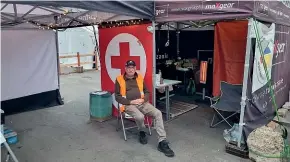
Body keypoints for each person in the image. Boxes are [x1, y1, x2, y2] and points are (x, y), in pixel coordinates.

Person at [114, 60, 175, 157]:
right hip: (129, 104)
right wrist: (130, 102)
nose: (130, 70)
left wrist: (143, 100)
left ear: (135, 68)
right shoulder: (119, 79)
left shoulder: (139, 77)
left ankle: (162, 141)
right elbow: (117, 96)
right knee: (140, 116)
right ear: (125, 69)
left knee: (158, 113)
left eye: (132, 67)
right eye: (128, 68)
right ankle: (142, 131)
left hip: (142, 103)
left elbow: (147, 92)